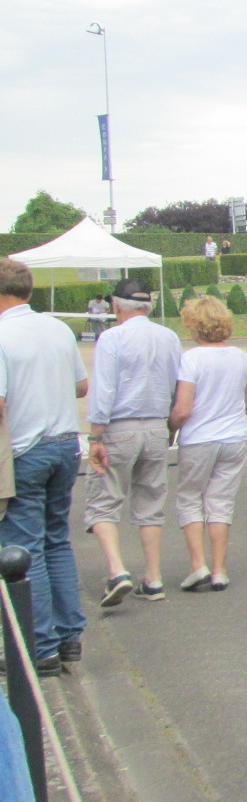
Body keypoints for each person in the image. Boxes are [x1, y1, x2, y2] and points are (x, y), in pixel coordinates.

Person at [0, 258, 89, 676]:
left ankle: (41, 646)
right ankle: (69, 634)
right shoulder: (57, 328)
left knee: (24, 547)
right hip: (65, 442)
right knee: (57, 539)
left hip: (25, 447)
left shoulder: (2, 333)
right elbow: (80, 385)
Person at [85, 277, 182, 606]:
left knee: (103, 501)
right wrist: (170, 426)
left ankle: (117, 570)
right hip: (156, 424)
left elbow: (103, 389)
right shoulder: (169, 337)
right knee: (151, 501)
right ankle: (153, 578)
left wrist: (95, 435)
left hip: (120, 426)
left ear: (115, 306)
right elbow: (175, 384)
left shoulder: (111, 337)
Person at [168, 296, 247, 591]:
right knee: (220, 502)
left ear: (195, 326)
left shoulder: (191, 359)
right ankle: (219, 569)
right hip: (234, 437)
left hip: (199, 438)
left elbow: (182, 409)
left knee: (191, 498)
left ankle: (198, 565)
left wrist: (170, 428)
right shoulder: (241, 356)